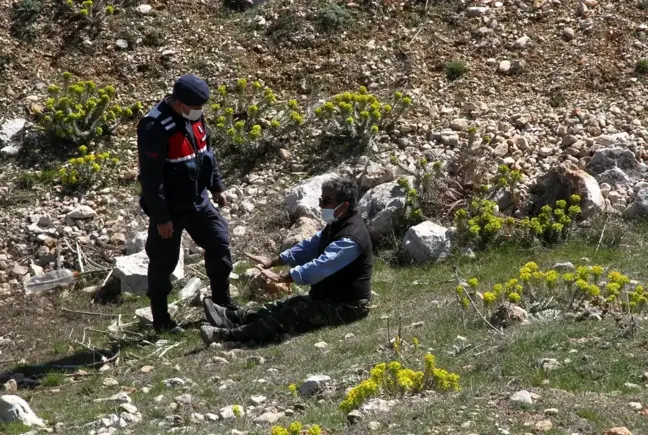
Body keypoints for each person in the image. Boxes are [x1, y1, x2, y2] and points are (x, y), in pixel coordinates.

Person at [200, 177, 373, 345]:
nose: (321, 205)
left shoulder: (351, 238)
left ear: (344, 206)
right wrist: (274, 261)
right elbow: (309, 246)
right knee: (281, 306)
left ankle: (227, 337)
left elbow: (321, 266)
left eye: (326, 201)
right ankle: (232, 317)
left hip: (348, 307)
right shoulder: (336, 225)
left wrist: (285, 277)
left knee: (287, 316)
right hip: (328, 298)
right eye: (321, 199)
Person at [137, 74, 238, 334]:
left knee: (218, 241)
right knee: (162, 262)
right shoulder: (153, 126)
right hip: (170, 208)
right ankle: (162, 320)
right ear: (179, 103)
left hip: (198, 200)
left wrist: (217, 187)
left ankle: (222, 304)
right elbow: (151, 179)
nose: (199, 111)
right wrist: (161, 218)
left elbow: (206, 153)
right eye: (195, 107)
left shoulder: (194, 115)